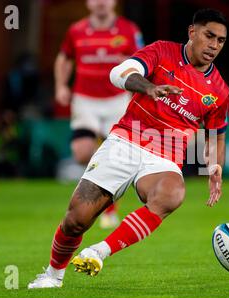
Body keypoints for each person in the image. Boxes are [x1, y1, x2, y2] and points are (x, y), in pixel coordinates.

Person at [28, 8, 229, 289]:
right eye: (209, 36)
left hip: (166, 155)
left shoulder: (219, 90)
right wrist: (148, 87)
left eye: (220, 41)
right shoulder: (161, 51)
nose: (214, 45)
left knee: (172, 194)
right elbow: (119, 72)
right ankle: (52, 274)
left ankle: (99, 251)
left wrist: (215, 165)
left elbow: (216, 133)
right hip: (126, 141)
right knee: (76, 220)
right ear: (192, 32)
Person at [55, 0, 144, 228]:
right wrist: (61, 86)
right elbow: (64, 58)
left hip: (117, 100)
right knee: (82, 152)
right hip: (85, 99)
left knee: (115, 155)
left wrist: (141, 89)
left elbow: (143, 62)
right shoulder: (76, 30)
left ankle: (108, 207)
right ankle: (103, 193)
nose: (101, 2)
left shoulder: (129, 30)